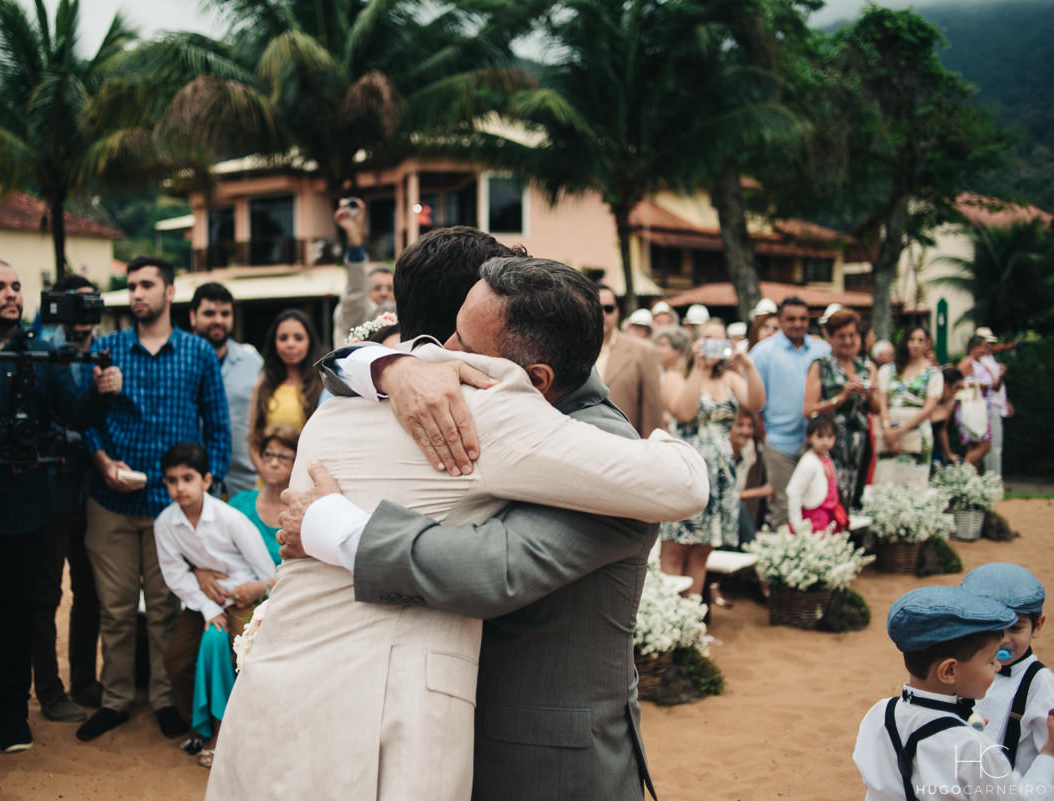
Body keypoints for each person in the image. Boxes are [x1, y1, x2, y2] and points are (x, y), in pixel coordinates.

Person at [206, 241, 708, 801]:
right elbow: (349, 365)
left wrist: (332, 525)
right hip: (439, 724)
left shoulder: (591, 441)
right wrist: (387, 364)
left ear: (534, 377)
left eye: (460, 343)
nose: (440, 353)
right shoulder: (419, 391)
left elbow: (495, 569)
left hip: (545, 760)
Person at [0, 260, 120, 752]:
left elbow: (73, 414)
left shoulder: (44, 353)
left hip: (24, 508)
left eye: (16, 286)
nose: (12, 294)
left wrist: (103, 395)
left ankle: (13, 717)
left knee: (17, 615)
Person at [76, 256, 231, 742]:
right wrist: (102, 461)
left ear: (170, 290)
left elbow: (218, 426)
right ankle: (117, 699)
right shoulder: (106, 348)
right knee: (116, 609)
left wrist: (208, 491)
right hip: (112, 502)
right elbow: (88, 420)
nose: (137, 293)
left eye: (147, 285)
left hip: (174, 509)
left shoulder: (199, 353)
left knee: (167, 610)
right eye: (131, 286)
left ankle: (165, 700)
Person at [853, 586, 1054, 800]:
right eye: (990, 661)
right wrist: (1049, 754)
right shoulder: (975, 748)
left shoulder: (879, 714)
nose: (997, 667)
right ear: (949, 671)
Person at [155, 442, 277, 769]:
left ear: (206, 480)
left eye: (188, 478)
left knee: (242, 661)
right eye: (171, 480)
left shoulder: (229, 519)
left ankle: (235, 736)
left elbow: (266, 570)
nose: (180, 488)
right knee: (177, 660)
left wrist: (252, 594)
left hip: (244, 597)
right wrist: (207, 607)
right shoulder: (166, 523)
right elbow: (173, 573)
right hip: (204, 602)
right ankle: (199, 728)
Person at [31, 274, 105, 723]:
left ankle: (84, 682)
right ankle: (50, 690)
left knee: (91, 592)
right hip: (52, 491)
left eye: (88, 304)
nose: (82, 315)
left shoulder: (107, 352)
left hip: (94, 491)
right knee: (46, 594)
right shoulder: (42, 352)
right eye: (72, 305)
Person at [659, 319, 766, 602]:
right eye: (707, 338)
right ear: (695, 342)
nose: (713, 346)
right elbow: (684, 412)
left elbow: (756, 403)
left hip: (719, 477)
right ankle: (671, 618)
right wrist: (699, 367)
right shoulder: (675, 377)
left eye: (720, 340)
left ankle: (693, 623)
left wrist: (747, 365)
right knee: (674, 549)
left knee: (701, 551)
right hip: (684, 472)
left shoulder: (729, 379)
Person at [962, 564, 1054, 774]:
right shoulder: (960, 669)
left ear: (1037, 626)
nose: (1003, 639)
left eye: (1015, 628)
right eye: (991, 627)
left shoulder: (1041, 685)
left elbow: (1050, 756)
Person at [750, 296, 831, 528]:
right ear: (781, 320)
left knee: (816, 503)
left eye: (803, 319)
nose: (798, 324)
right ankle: (782, 559)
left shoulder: (822, 350)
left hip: (817, 441)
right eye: (791, 319)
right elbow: (755, 403)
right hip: (779, 442)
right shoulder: (763, 352)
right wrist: (765, 439)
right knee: (783, 507)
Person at [189, 282, 265, 495]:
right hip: (192, 479)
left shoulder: (251, 360)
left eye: (225, 313)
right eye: (209, 313)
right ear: (192, 317)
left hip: (245, 478)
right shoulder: (179, 362)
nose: (218, 320)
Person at [803, 308, 876, 509]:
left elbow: (876, 409)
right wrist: (840, 398)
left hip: (859, 442)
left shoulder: (866, 368)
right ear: (831, 338)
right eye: (841, 336)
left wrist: (870, 393)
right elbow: (809, 409)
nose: (848, 341)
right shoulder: (821, 365)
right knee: (830, 499)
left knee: (855, 497)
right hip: (831, 443)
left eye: (852, 335)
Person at [247, 309, 323, 465]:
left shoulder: (322, 386)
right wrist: (266, 472)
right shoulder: (263, 385)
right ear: (274, 343)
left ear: (310, 342)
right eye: (283, 338)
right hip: (269, 477)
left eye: (298, 338)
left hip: (307, 474)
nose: (290, 344)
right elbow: (253, 440)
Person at [875, 326, 944, 488]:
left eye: (920, 340)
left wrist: (901, 430)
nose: (915, 344)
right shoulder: (889, 370)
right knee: (887, 480)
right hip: (889, 429)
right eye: (912, 339)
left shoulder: (933, 373)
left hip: (917, 431)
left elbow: (929, 408)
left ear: (927, 344)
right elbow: (882, 401)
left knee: (914, 483)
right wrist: (888, 429)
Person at [596, 283, 664, 437]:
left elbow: (652, 414)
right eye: (595, 307)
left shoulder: (643, 351)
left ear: (617, 311)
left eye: (608, 309)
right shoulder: (572, 349)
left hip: (626, 446)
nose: (602, 314)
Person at [225, 423, 297, 566]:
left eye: (283, 456)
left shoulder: (300, 510)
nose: (274, 463)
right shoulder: (240, 502)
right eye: (268, 455)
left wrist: (259, 588)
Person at [332, 197, 394, 346]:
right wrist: (353, 233)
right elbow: (356, 286)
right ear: (365, 291)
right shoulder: (354, 314)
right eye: (377, 288)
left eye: (390, 288)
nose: (384, 293)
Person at [786, 414, 848, 533]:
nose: (825, 441)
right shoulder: (808, 462)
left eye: (830, 436)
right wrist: (796, 523)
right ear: (809, 438)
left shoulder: (827, 458)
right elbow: (794, 492)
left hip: (829, 511)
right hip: (813, 514)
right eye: (820, 436)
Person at [731, 407, 773, 544]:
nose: (746, 431)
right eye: (740, 425)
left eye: (750, 426)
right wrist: (754, 493)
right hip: (717, 511)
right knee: (741, 508)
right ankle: (752, 549)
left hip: (733, 512)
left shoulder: (748, 452)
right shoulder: (718, 453)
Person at [976, 327, 1012, 477]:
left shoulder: (990, 359)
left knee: (993, 446)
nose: (990, 346)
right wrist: (1002, 374)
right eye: (986, 343)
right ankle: (994, 481)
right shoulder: (981, 361)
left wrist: (1006, 402)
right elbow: (995, 386)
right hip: (989, 407)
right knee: (992, 446)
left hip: (996, 406)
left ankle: (992, 479)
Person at [956, 335, 994, 473]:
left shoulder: (980, 364)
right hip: (971, 408)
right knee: (985, 446)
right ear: (974, 348)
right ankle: (962, 473)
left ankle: (972, 483)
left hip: (980, 408)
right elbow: (956, 382)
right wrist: (976, 383)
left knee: (974, 447)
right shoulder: (967, 363)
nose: (985, 350)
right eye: (983, 347)